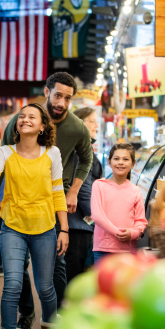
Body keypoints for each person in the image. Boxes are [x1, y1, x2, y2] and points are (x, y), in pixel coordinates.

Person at [0, 72, 92, 329]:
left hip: (52, 206)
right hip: (17, 209)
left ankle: (54, 321)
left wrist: (74, 193)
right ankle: (25, 316)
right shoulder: (22, 119)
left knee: (53, 273)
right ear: (47, 92)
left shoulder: (76, 128)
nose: (62, 102)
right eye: (58, 95)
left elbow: (86, 159)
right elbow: (3, 159)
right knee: (17, 273)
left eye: (68, 98)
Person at [0, 103, 68, 329]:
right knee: (12, 285)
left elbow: (57, 193)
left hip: (44, 229)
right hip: (13, 227)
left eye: (32, 117)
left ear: (42, 126)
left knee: (45, 287)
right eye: (22, 116)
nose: (25, 119)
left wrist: (64, 229)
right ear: (16, 124)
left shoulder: (52, 153)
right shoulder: (5, 152)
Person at [91, 143, 148, 263]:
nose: (120, 162)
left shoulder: (136, 191)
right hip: (103, 249)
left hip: (128, 251)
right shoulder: (99, 185)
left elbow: (141, 221)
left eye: (125, 159)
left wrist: (132, 233)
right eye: (116, 159)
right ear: (109, 162)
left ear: (132, 164)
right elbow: (97, 216)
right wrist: (118, 233)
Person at [65, 107, 104, 282]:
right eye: (93, 121)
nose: (96, 125)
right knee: (75, 274)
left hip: (78, 223)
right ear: (81, 123)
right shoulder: (81, 150)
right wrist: (98, 218)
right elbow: (83, 189)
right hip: (78, 224)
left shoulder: (81, 147)